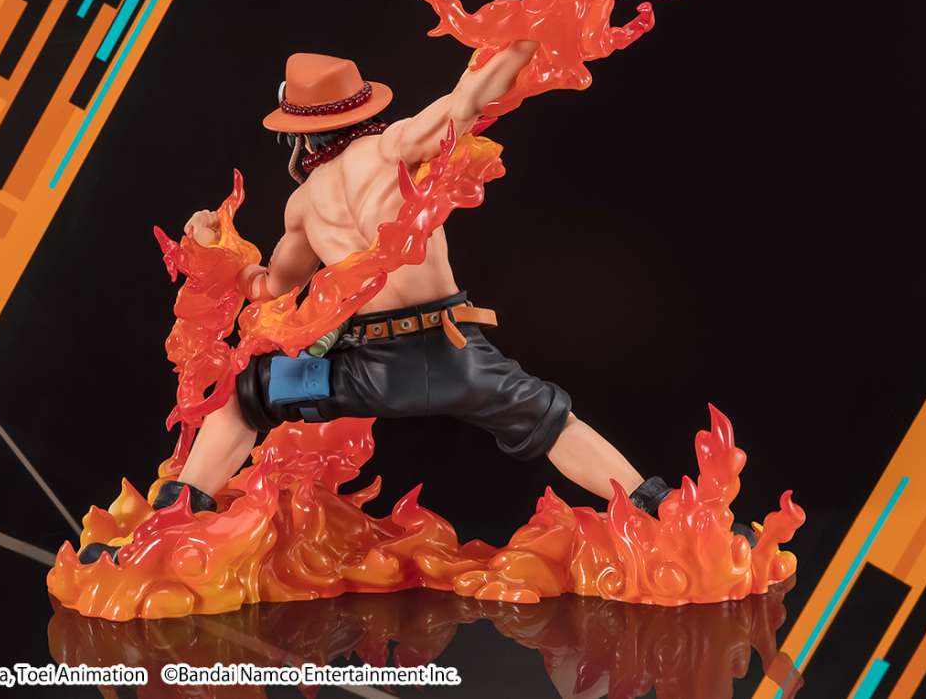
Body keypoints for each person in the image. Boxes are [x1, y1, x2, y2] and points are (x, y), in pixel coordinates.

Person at [80, 46, 699, 564]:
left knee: (243, 399)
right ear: (361, 109)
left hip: (366, 371)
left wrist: (219, 250)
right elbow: (467, 100)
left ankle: (159, 535)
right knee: (553, 423)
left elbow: (269, 288)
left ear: (300, 132)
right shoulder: (395, 145)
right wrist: (527, 37)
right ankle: (663, 509)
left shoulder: (304, 205)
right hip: (456, 356)